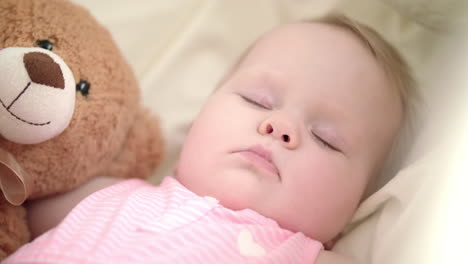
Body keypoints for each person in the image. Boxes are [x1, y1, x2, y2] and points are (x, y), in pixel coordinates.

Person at [4, 13, 415, 264]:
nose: (281, 126)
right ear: (201, 115)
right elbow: (19, 196)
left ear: (357, 204)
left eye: (326, 139)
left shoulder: (304, 257)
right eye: (258, 99)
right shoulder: (106, 195)